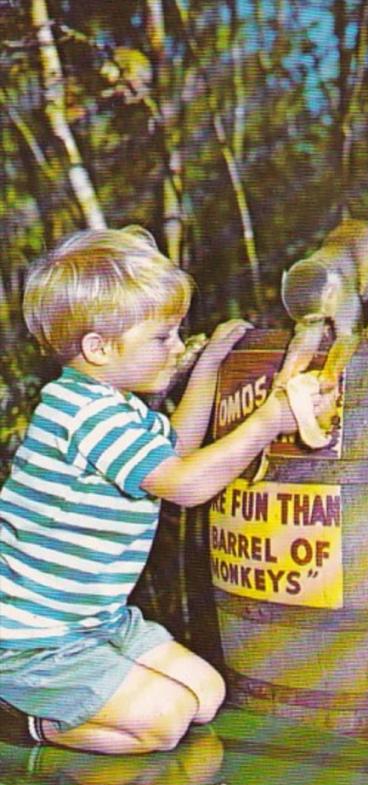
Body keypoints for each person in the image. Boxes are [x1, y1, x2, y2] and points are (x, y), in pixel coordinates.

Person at [0, 226, 323, 755]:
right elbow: (185, 484)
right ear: (98, 349)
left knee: (205, 695)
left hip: (93, 621)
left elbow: (171, 449)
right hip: (31, 640)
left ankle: (79, 700)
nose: (175, 348)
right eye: (161, 337)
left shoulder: (112, 404)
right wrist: (269, 421)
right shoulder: (85, 414)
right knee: (166, 722)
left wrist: (212, 363)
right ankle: (22, 720)